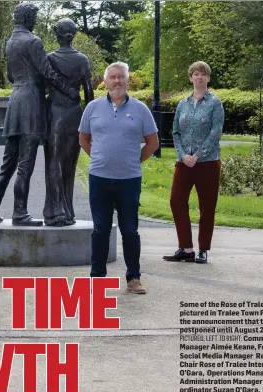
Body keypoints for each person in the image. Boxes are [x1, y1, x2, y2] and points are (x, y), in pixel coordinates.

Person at [0, 2, 80, 226]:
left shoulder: (11, 42)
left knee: (7, 165)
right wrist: (69, 91)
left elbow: (10, 75)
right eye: (34, 17)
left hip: (15, 102)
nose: (35, 21)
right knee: (25, 165)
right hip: (30, 104)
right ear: (27, 17)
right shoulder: (33, 41)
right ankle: (20, 213)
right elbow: (47, 73)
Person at [78, 61, 159, 294]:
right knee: (100, 229)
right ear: (105, 81)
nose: (117, 81)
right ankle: (97, 278)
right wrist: (99, 158)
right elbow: (83, 139)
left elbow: (152, 144)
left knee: (130, 230)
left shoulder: (141, 109)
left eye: (121, 77)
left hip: (129, 180)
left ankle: (134, 278)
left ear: (127, 80)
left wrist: (134, 160)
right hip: (99, 178)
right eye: (112, 77)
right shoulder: (92, 108)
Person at [163, 61, 224, 265]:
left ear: (208, 78)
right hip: (184, 162)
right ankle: (186, 248)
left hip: (207, 162)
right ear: (190, 78)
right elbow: (175, 132)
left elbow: (216, 132)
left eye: (203, 74)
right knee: (176, 200)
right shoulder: (183, 104)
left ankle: (203, 249)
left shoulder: (215, 103)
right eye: (196, 74)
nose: (199, 77)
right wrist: (182, 155)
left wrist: (198, 155)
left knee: (207, 206)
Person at [43, 18, 95, 226]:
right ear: (73, 35)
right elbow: (89, 91)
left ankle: (54, 211)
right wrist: (92, 120)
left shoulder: (49, 58)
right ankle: (69, 211)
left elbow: (43, 89)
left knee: (52, 162)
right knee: (69, 164)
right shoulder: (82, 60)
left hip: (55, 111)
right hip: (75, 113)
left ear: (58, 34)